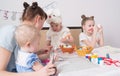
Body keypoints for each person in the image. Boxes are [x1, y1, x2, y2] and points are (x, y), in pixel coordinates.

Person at [0, 2, 55, 76]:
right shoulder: (10, 32)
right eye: (42, 24)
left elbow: (23, 59)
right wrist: (38, 74)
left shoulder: (23, 36)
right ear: (37, 19)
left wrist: (40, 51)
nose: (41, 28)